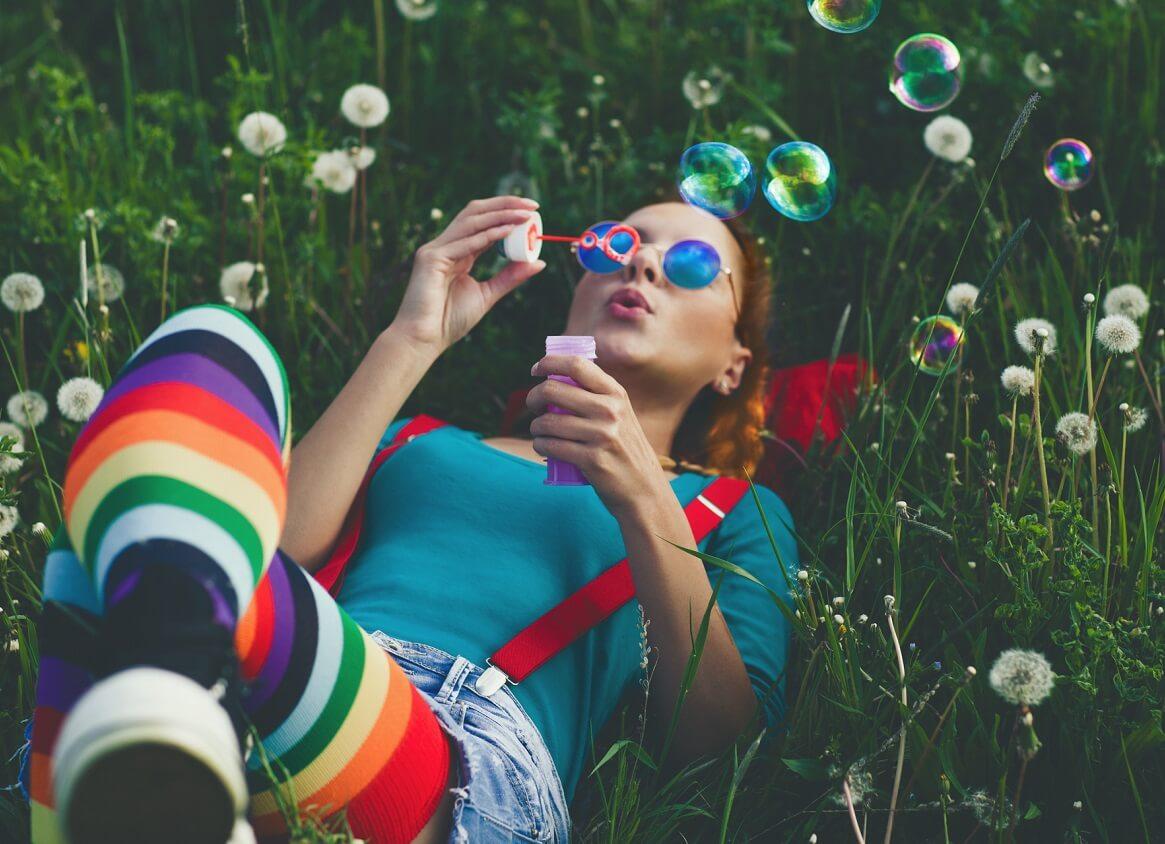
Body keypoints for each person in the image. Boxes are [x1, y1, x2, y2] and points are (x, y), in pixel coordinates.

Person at [22, 195, 799, 843]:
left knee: (114, 578)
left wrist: (644, 498)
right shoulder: (419, 439)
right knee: (213, 341)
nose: (639, 262)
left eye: (692, 264)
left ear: (734, 363)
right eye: (616, 244)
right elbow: (259, 548)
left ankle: (157, 719)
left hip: (452, 760)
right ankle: (175, 719)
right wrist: (414, 335)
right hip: (295, 666)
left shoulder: (729, 509)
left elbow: (719, 749)